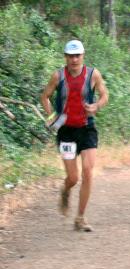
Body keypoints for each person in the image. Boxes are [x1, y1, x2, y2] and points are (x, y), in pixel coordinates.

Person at [40, 40, 109, 232]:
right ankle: (65, 190)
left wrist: (97, 106)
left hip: (87, 129)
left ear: (83, 56)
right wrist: (51, 115)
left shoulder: (93, 74)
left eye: (77, 55)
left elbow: (104, 95)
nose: (74, 59)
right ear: (65, 57)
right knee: (73, 178)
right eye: (70, 56)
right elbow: (44, 96)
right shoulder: (58, 76)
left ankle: (80, 217)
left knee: (88, 171)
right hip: (66, 132)